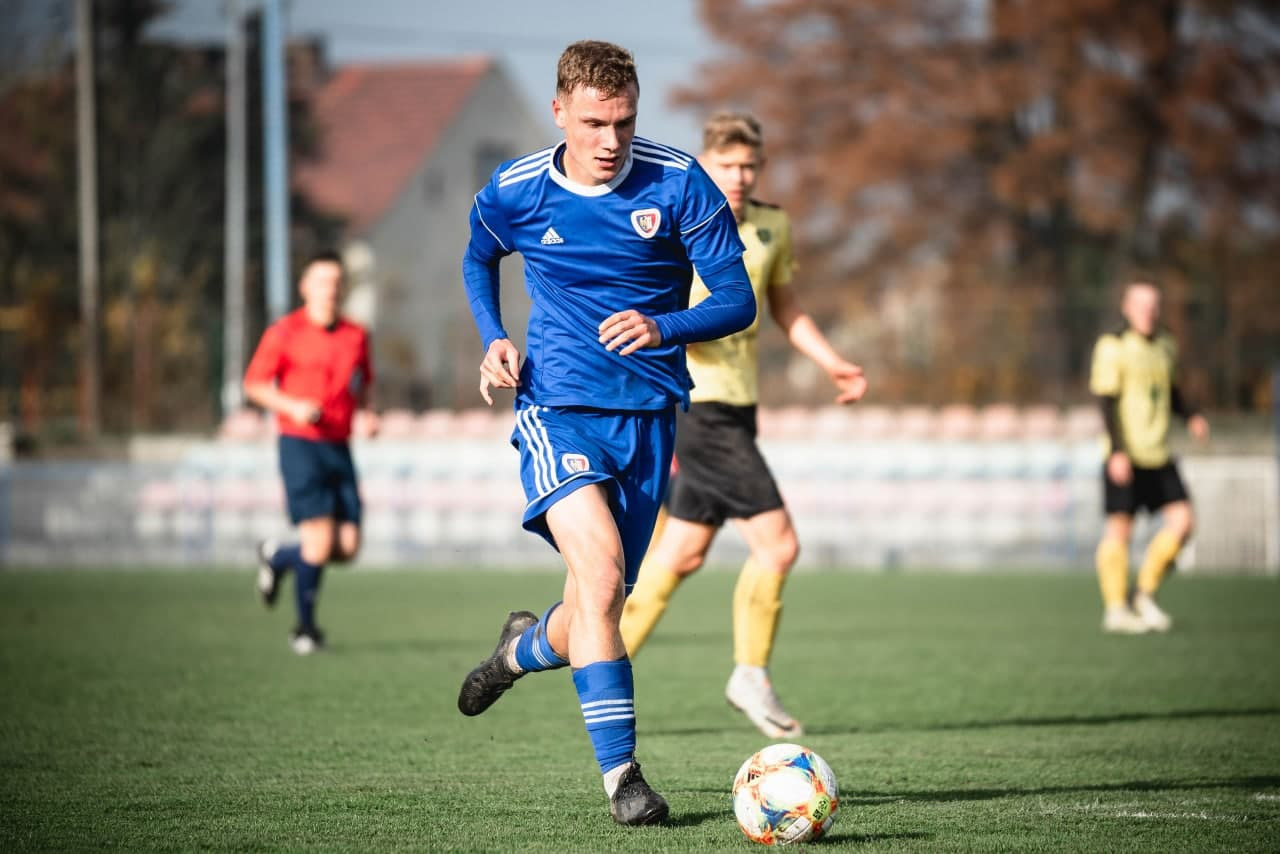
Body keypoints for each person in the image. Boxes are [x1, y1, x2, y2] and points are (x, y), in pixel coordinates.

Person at [456, 40, 754, 827]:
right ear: (560, 112)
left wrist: (664, 326)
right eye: (594, 123)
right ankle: (624, 781)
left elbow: (737, 299)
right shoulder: (518, 188)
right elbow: (479, 256)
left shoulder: (680, 182)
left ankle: (518, 651)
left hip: (649, 416)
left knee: (598, 604)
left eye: (624, 121)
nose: (611, 140)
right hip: (556, 409)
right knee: (601, 576)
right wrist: (493, 335)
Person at [618, 112, 867, 739]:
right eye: (726, 165)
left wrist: (833, 362)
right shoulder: (679, 218)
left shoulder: (772, 225)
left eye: (749, 165)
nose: (739, 176)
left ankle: (602, 660)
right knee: (779, 546)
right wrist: (681, 333)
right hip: (699, 404)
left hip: (739, 407)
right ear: (704, 163)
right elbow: (649, 304)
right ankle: (749, 675)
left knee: (681, 553)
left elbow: (786, 307)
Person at [243, 249, 378, 655]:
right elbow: (255, 384)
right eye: (321, 281)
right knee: (318, 543)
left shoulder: (356, 334)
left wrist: (367, 413)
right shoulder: (285, 332)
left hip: (339, 446)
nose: (329, 290)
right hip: (299, 444)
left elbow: (364, 382)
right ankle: (304, 630)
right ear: (304, 287)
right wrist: (293, 407)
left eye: (336, 282)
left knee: (347, 546)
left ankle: (279, 557)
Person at [1089, 280, 1209, 634]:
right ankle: (1115, 609)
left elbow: (1170, 391)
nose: (1148, 311)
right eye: (1141, 305)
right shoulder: (1113, 346)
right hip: (1126, 453)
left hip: (1159, 453)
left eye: (1153, 305)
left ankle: (1143, 594)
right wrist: (1117, 451)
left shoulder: (1166, 345)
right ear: (1126, 308)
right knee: (1119, 529)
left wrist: (1192, 416)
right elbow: (1106, 402)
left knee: (1183, 522)